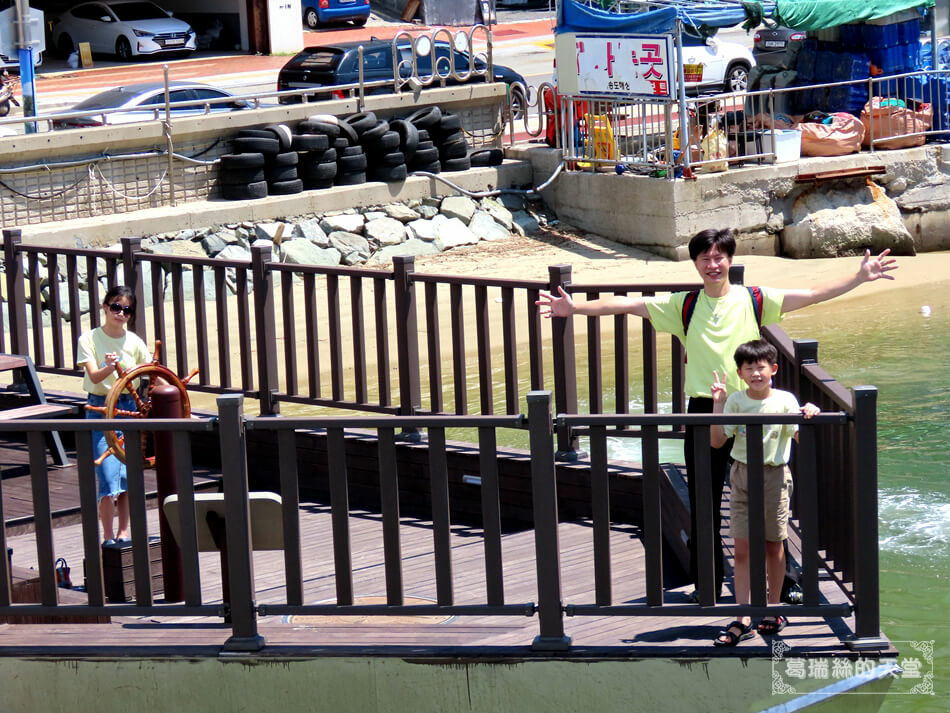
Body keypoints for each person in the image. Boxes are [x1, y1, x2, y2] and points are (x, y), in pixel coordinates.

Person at [536, 228, 897, 600]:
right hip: (706, 409)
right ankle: (706, 583)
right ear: (695, 263)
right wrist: (573, 307)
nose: (713, 264)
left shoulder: (754, 298)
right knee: (704, 500)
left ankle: (784, 582)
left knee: (767, 497)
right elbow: (628, 304)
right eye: (705, 258)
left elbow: (810, 295)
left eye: (719, 256)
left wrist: (858, 276)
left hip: (754, 409)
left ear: (729, 259)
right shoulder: (684, 305)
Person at [709, 339, 820, 646]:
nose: (756, 374)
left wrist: (808, 414)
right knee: (742, 548)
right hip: (743, 475)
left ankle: (773, 609)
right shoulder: (735, 401)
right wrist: (718, 403)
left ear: (773, 369)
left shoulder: (785, 400)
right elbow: (717, 441)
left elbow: (799, 438)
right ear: (740, 373)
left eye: (761, 368)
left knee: (774, 545)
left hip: (774, 475)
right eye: (749, 369)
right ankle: (743, 617)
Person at [77, 285, 151, 545]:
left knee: (128, 474)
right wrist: (109, 367)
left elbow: (152, 373)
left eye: (127, 310)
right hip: (100, 407)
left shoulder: (134, 342)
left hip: (130, 407)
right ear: (105, 307)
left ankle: (124, 532)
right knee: (107, 473)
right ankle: (107, 536)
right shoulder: (88, 339)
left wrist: (174, 395)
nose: (120, 313)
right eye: (116, 307)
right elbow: (94, 377)